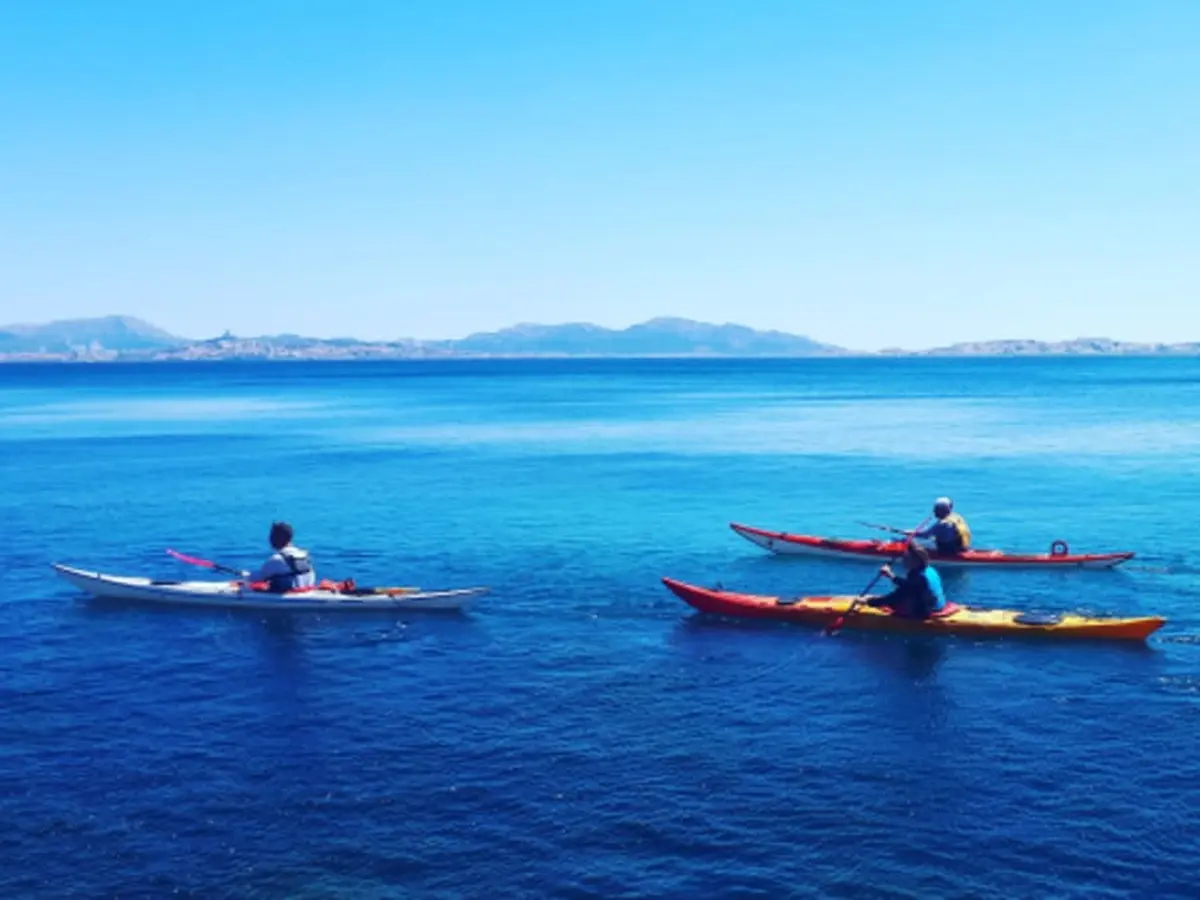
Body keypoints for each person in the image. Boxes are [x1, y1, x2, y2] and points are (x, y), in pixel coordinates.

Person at [870, 543, 946, 619]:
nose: (903, 560)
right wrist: (891, 576)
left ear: (916, 560)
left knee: (894, 600)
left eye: (906, 558)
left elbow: (897, 595)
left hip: (926, 611)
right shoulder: (930, 569)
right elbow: (908, 585)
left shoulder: (919, 577)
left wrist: (870, 602)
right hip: (938, 605)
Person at [245, 521, 316, 592]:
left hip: (287, 598)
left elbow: (256, 578)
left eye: (272, 535)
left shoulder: (276, 560)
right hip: (306, 592)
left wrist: (246, 575)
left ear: (277, 538)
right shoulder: (305, 556)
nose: (269, 539)